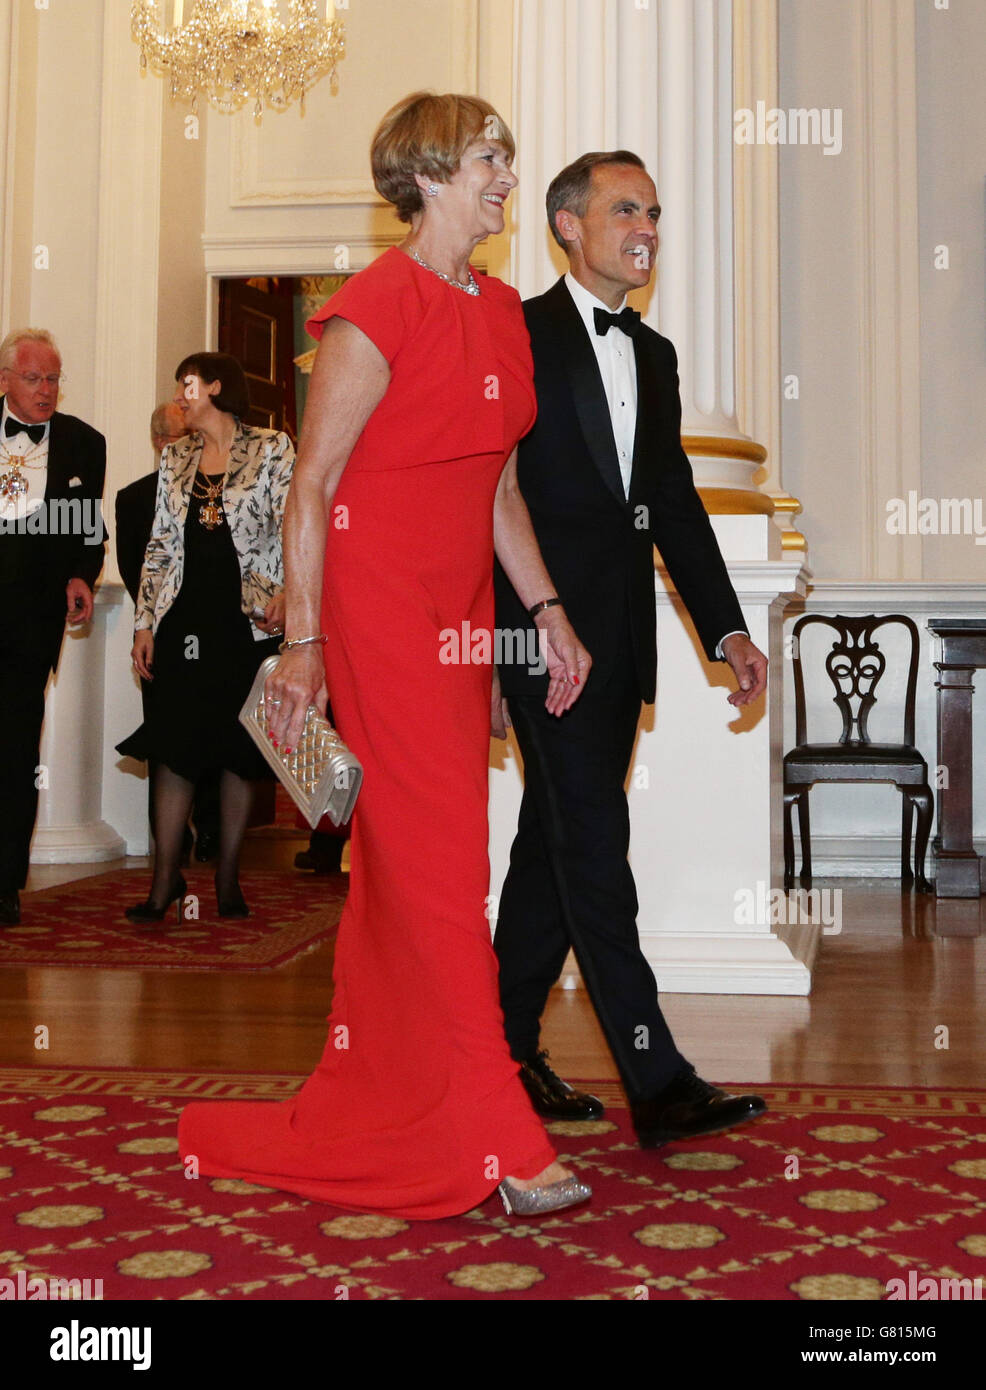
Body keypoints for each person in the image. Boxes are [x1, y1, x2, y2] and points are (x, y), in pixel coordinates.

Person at [177, 92, 593, 1220]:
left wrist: (542, 610)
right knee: (442, 872)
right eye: (486, 159)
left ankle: (383, 1093)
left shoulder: (503, 311)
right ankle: (501, 1136)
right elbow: (312, 484)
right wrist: (304, 643)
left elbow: (500, 487)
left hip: (460, 616)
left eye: (506, 157)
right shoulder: (373, 306)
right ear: (425, 174)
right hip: (372, 609)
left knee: (424, 870)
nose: (506, 176)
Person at [492, 151, 770, 1148]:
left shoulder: (651, 357)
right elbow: (482, 493)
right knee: (594, 847)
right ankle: (656, 1076)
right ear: (567, 225)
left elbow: (676, 507)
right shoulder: (513, 333)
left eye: (651, 210)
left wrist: (725, 626)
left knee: (551, 847)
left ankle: (501, 1049)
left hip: (621, 646)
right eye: (623, 209)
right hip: (536, 635)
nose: (644, 226)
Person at [117, 354, 294, 922]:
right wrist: (145, 622)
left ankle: (227, 877)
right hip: (184, 617)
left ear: (216, 386)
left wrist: (291, 594)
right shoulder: (175, 456)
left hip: (247, 622)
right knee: (174, 746)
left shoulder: (272, 448)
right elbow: (159, 546)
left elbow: (297, 525)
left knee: (241, 752)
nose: (179, 395)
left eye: (187, 384)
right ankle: (165, 878)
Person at [0, 328, 105, 926]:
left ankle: (5, 880)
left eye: (54, 378)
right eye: (35, 378)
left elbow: (89, 529)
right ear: (7, 381)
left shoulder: (85, 445)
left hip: (30, 622)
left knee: (15, 750)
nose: (47, 390)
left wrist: (81, 575)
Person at [115, 402, 220, 864]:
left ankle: (213, 828)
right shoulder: (134, 498)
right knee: (165, 740)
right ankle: (171, 840)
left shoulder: (214, 493)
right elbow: (135, 571)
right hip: (160, 640)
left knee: (216, 733)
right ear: (160, 444)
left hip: (214, 637)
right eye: (183, 439)